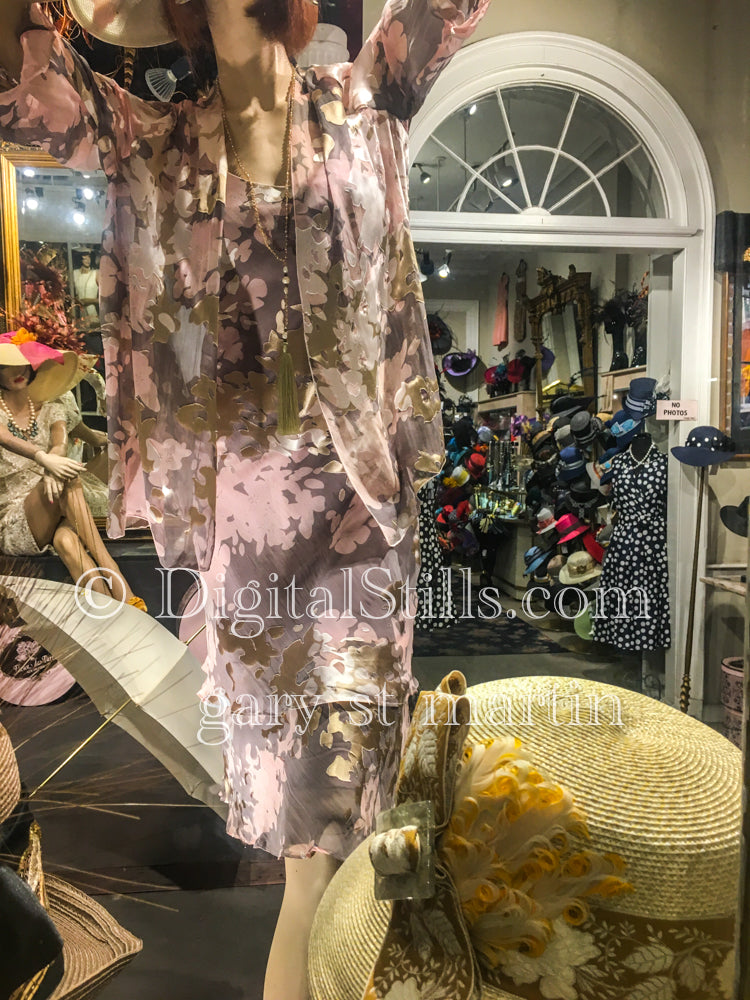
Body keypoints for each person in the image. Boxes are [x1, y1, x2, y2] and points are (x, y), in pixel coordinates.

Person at [0, 1, 489, 996]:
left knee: (340, 847)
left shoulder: (371, 89)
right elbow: (18, 94)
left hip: (360, 530)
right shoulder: (139, 131)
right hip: (247, 549)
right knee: (312, 859)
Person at [0, 332, 144, 609]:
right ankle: (113, 571)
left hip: (57, 494)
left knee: (67, 541)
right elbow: (6, 438)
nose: (18, 372)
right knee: (67, 478)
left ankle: (111, 613)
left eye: (23, 364)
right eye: (7, 366)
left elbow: (60, 443)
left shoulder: (52, 404)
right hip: (17, 517)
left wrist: (52, 466)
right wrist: (45, 460)